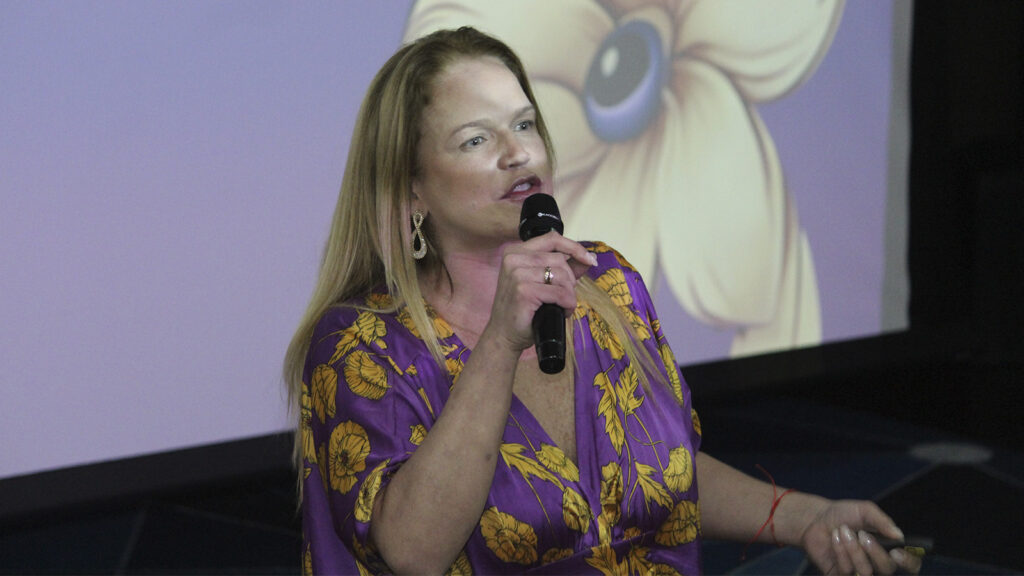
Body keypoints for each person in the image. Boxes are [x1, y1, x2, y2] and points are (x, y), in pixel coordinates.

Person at [284, 27, 922, 576]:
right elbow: (413, 551)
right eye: (476, 139)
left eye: (525, 124)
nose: (518, 152)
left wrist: (807, 517)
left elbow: (663, 476)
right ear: (411, 190)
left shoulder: (607, 282)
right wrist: (502, 342)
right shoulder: (363, 347)